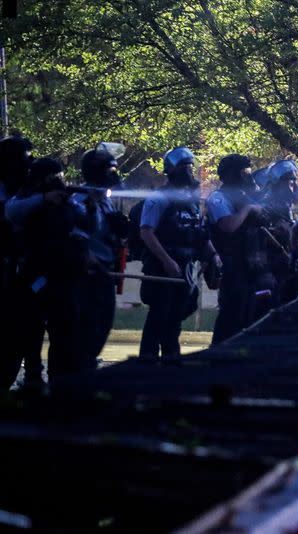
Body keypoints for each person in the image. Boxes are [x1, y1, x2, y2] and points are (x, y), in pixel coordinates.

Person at [8, 158, 91, 384]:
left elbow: (82, 222)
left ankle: (59, 380)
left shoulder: (66, 202)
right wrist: (44, 198)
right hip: (33, 275)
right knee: (31, 331)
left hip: (61, 276)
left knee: (63, 332)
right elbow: (12, 211)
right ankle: (33, 376)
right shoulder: (26, 197)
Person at [138, 147, 220, 359]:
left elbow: (200, 234)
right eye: (183, 166)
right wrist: (166, 261)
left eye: (190, 166)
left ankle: (170, 363)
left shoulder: (192, 202)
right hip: (162, 269)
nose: (188, 170)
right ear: (171, 170)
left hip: (186, 267)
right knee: (159, 317)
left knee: (175, 320)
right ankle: (145, 366)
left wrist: (213, 256)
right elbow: (146, 232)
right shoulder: (158, 198)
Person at [70, 144, 129, 365]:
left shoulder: (105, 199)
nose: (114, 175)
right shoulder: (80, 198)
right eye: (110, 171)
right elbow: (76, 233)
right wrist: (87, 257)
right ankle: (79, 369)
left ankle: (87, 362)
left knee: (103, 322)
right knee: (87, 323)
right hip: (87, 273)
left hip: (104, 270)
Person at [207, 153, 268, 345]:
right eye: (244, 172)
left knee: (249, 316)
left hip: (251, 266)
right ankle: (217, 359)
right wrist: (249, 209)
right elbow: (228, 226)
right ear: (232, 174)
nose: (248, 176)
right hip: (231, 265)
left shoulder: (245, 197)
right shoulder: (217, 197)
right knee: (230, 316)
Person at [0, 135, 36, 389]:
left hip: (19, 275)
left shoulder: (24, 190)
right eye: (24, 159)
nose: (28, 164)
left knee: (19, 334)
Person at [252, 160, 298, 302]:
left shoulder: (285, 208)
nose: (295, 186)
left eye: (294, 181)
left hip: (285, 268)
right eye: (290, 182)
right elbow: (255, 241)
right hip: (270, 270)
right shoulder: (266, 208)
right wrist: (264, 273)